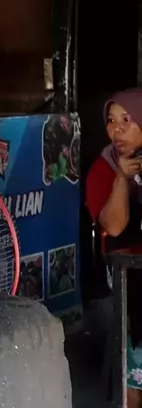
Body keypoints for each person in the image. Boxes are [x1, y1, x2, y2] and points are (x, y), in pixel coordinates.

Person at [85, 88, 142, 406]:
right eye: (111, 120)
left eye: (127, 119)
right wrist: (122, 178)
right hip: (128, 279)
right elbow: (115, 226)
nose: (116, 129)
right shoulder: (104, 168)